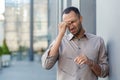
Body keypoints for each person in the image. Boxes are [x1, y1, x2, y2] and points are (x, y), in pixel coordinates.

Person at [41, 6, 109, 80]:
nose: (71, 27)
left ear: (80, 18)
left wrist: (90, 63)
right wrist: (60, 34)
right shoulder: (60, 42)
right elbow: (46, 65)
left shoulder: (98, 41)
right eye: (67, 24)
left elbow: (104, 73)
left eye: (73, 22)